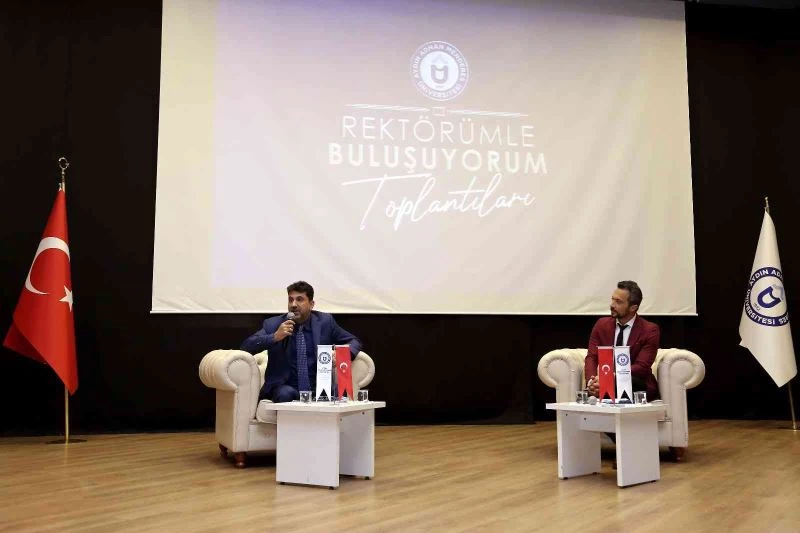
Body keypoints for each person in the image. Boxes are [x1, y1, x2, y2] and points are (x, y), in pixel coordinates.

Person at [240, 281, 362, 403]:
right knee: (285, 393)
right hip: (287, 388)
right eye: (290, 300)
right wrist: (275, 337)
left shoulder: (325, 322)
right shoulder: (274, 324)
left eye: (299, 299)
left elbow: (354, 341)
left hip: (319, 388)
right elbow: (246, 347)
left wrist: (340, 355)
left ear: (311, 304)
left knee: (340, 392)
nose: (293, 305)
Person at [585, 280, 660, 400]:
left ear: (633, 307)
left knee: (630, 382)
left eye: (618, 302)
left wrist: (610, 378)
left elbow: (642, 367)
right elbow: (591, 357)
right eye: (612, 299)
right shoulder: (601, 325)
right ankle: (600, 389)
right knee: (595, 388)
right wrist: (591, 382)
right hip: (603, 382)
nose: (612, 305)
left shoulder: (649, 330)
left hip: (635, 383)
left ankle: (604, 390)